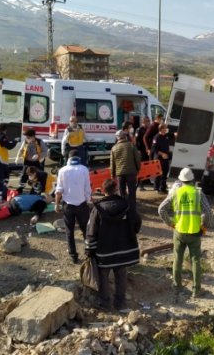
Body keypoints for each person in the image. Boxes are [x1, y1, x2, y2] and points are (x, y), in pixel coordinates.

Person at [85, 178, 141, 310]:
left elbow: (91, 231)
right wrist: (130, 234)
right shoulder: (127, 205)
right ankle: (120, 303)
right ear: (116, 189)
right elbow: (137, 222)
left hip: (105, 251)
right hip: (124, 249)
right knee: (121, 275)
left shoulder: (97, 209)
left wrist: (89, 250)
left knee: (103, 276)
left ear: (103, 191)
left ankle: (105, 304)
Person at [158, 168, 212, 300]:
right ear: (193, 180)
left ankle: (177, 288)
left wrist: (170, 223)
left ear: (181, 180)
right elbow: (208, 213)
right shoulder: (198, 193)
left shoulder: (175, 192)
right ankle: (196, 290)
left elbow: (161, 209)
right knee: (195, 261)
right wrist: (203, 227)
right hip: (194, 232)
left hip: (179, 231)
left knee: (177, 259)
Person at [54, 149, 92, 264]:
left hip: (68, 205)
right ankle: (89, 252)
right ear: (79, 157)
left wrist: (56, 204)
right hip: (82, 204)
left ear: (68, 158)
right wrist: (88, 200)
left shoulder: (62, 170)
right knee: (86, 229)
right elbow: (87, 189)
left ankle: (73, 256)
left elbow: (59, 190)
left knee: (69, 231)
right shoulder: (84, 169)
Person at [110, 130, 141, 212]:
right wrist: (138, 169)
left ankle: (123, 208)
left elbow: (112, 164)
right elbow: (137, 159)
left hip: (120, 173)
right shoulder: (131, 145)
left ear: (117, 138)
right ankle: (132, 208)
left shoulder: (114, 148)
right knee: (132, 191)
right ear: (125, 136)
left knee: (122, 191)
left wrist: (112, 175)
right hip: (131, 172)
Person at [151, 123, 171, 193]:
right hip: (159, 158)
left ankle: (163, 188)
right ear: (161, 129)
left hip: (166, 158)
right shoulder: (156, 137)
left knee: (165, 173)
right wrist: (162, 154)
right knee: (158, 174)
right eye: (165, 128)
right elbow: (154, 149)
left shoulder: (166, 136)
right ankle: (156, 188)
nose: (166, 129)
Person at [135, 116, 151, 191]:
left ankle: (147, 180)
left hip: (147, 151)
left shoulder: (149, 129)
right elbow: (136, 141)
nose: (147, 122)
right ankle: (140, 184)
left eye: (148, 121)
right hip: (141, 151)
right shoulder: (139, 130)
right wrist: (138, 150)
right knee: (141, 167)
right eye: (145, 121)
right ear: (142, 122)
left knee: (148, 166)